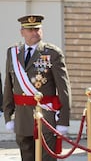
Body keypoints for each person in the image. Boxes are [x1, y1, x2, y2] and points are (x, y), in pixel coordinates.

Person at [3, 15, 71, 161]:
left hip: (45, 117)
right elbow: (8, 86)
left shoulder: (52, 53)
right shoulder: (13, 53)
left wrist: (63, 120)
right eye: (30, 30)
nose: (35, 32)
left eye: (37, 29)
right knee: (27, 157)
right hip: (22, 117)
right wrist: (8, 116)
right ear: (22, 32)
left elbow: (64, 89)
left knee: (46, 158)